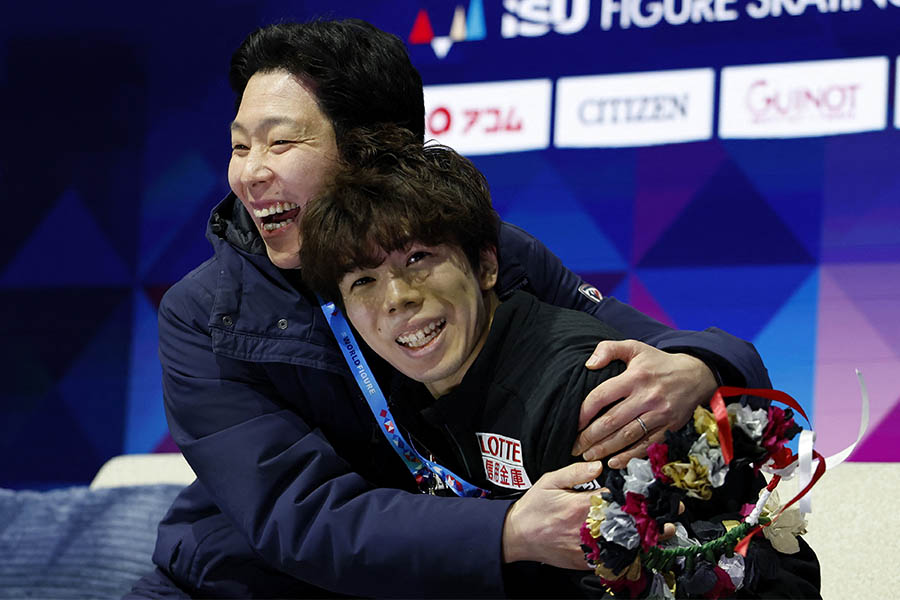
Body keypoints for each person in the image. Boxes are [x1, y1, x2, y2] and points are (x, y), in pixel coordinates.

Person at [129, 18, 771, 598]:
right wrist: (504, 532)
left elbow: (640, 342)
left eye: (280, 144)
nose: (250, 175)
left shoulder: (473, 245)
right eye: (241, 147)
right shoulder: (203, 314)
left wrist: (699, 365)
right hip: (232, 587)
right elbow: (300, 517)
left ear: (372, 149)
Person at [297, 126, 820, 598]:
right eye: (362, 280)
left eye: (418, 259)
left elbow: (732, 572)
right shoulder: (403, 395)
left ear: (485, 265)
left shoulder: (595, 392)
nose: (396, 298)